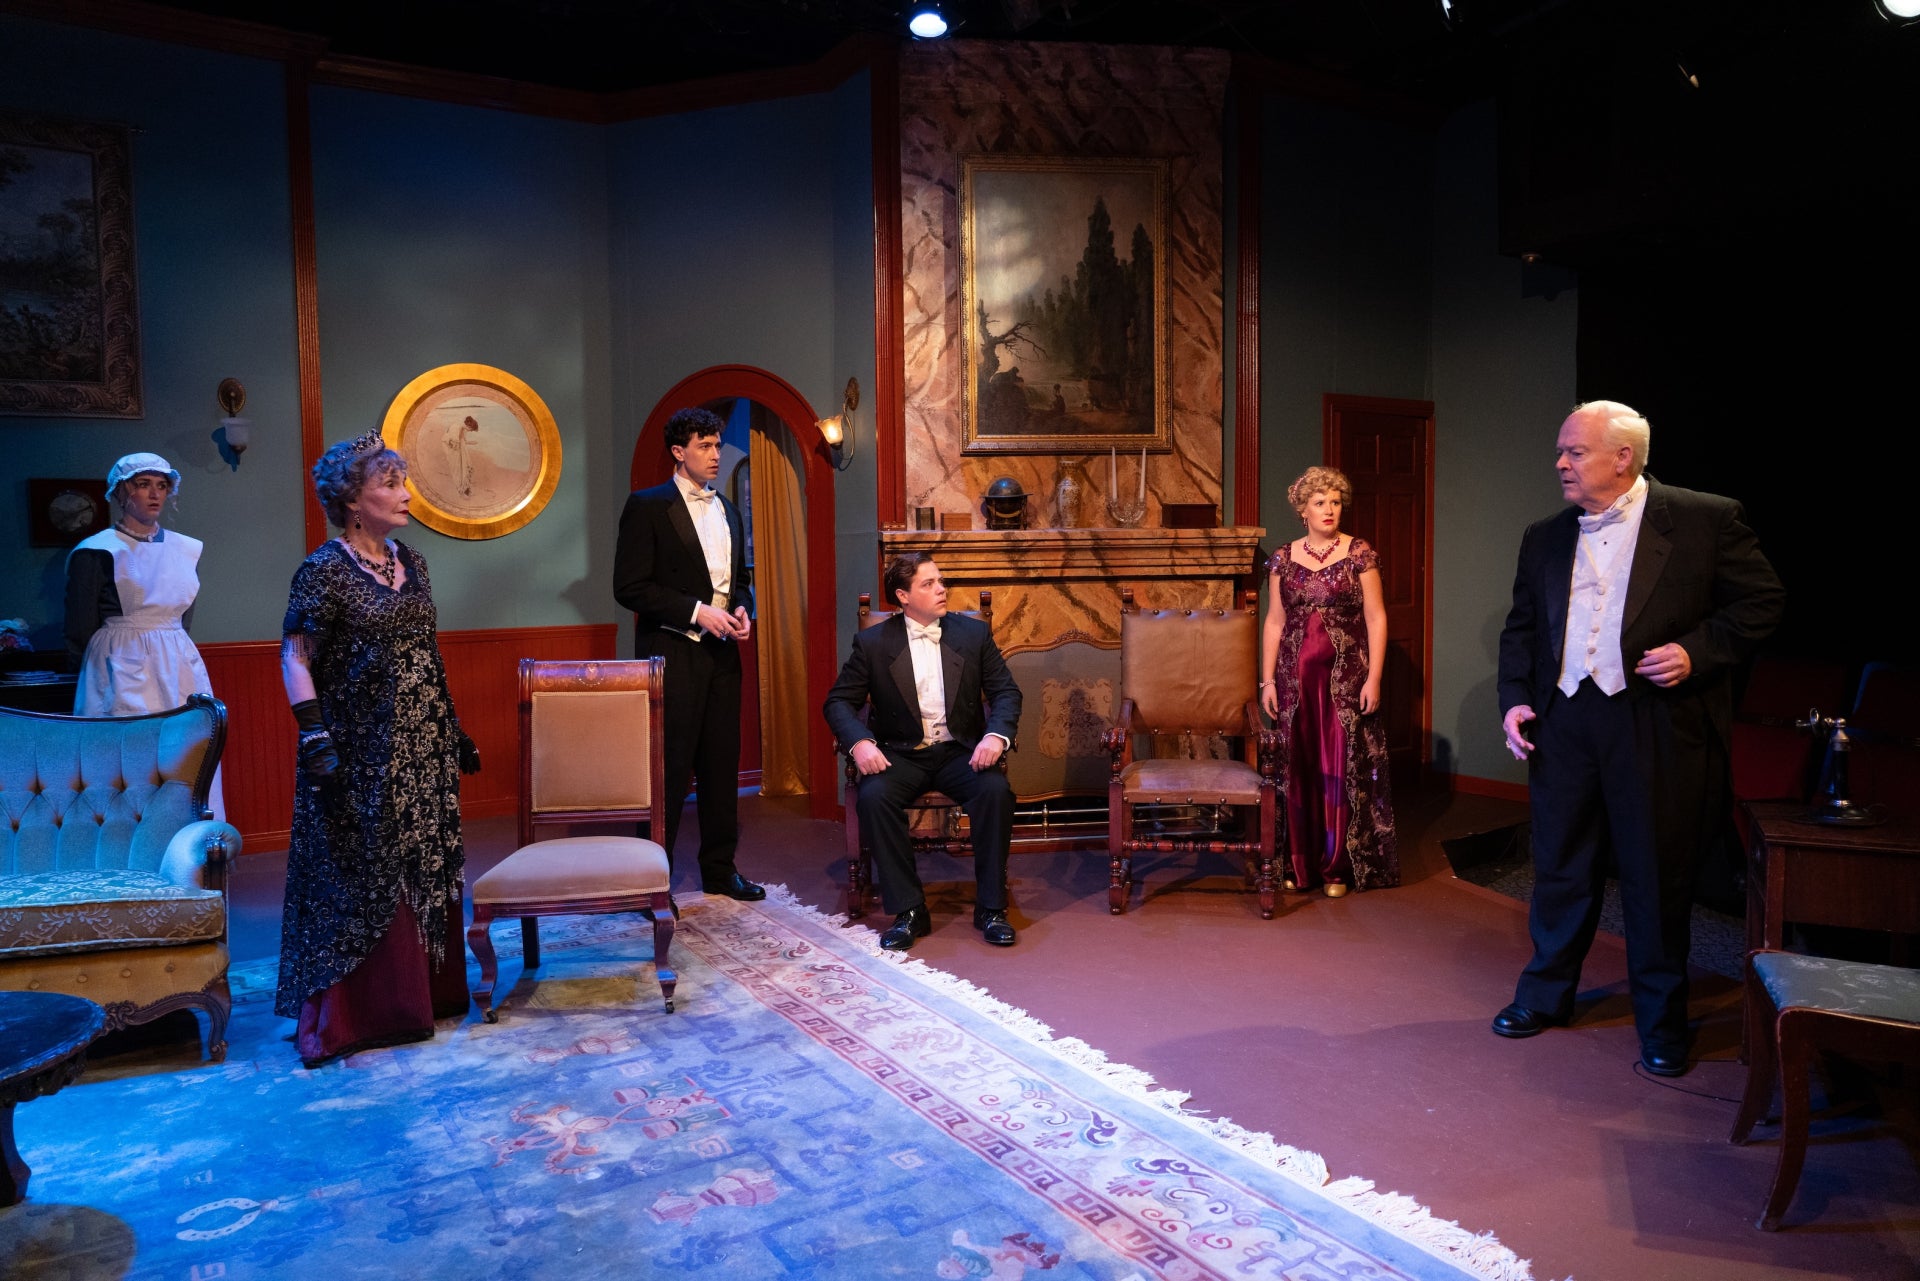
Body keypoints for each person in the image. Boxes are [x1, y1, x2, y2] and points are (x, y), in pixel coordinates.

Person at [1494, 400, 1783, 1077]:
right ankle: (1545, 996)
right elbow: (1522, 629)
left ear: (1623, 457)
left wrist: (1695, 651)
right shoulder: (1544, 535)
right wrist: (1515, 701)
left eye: (1575, 452)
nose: (1560, 463)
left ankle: (1661, 1021)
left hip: (1653, 721)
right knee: (1560, 865)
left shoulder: (1705, 518)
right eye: (1561, 451)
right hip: (1564, 720)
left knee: (1654, 875)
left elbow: (1763, 600)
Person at [275, 429, 480, 1068]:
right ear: (352, 501)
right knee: (363, 870)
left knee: (425, 860)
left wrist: (451, 726)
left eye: (403, 481)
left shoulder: (411, 560)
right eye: (391, 484)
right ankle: (360, 1014)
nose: (406, 494)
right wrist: (314, 733)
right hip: (358, 750)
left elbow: (425, 651)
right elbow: (295, 655)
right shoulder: (323, 570)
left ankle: (427, 995)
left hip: (422, 742)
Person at [823, 554, 1023, 950]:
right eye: (928, 584)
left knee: (995, 792)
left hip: (960, 750)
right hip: (901, 752)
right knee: (874, 798)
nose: (941, 589)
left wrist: (995, 736)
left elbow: (1006, 692)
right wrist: (860, 742)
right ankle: (910, 910)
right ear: (903, 596)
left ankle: (991, 908)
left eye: (941, 581)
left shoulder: (973, 634)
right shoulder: (873, 643)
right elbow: (838, 702)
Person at [612, 407, 763, 902]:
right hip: (672, 654)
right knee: (669, 770)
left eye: (717, 444)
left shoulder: (729, 509)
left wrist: (741, 609)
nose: (716, 454)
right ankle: (651, 881)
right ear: (679, 452)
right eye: (705, 445)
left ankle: (720, 870)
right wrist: (697, 612)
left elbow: (740, 580)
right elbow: (629, 587)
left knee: (721, 766)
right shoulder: (648, 505)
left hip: (722, 658)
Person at [1258, 466, 1397, 898]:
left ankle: (1336, 867)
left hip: (1345, 682)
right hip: (1293, 682)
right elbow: (1274, 622)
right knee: (1296, 768)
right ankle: (1298, 865)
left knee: (1339, 766)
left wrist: (1374, 677)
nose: (1329, 509)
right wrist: (1267, 681)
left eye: (1335, 501)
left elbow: (1376, 618)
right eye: (1320, 502)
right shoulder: (1283, 558)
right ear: (1303, 510)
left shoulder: (1359, 554)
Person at [65, 452, 224, 819]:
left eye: (161, 485)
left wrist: (169, 649)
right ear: (122, 492)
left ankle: (187, 838)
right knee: (125, 757)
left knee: (185, 753)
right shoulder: (98, 550)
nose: (154, 494)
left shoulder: (186, 549)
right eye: (143, 484)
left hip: (177, 662)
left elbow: (183, 617)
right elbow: (79, 627)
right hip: (119, 661)